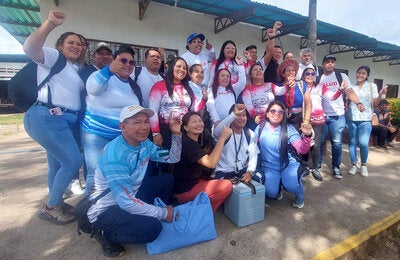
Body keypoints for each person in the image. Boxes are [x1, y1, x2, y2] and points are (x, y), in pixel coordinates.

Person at [87, 105, 182, 257]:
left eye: (146, 122)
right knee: (152, 230)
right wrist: (162, 213)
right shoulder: (115, 156)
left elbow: (172, 157)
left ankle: (148, 213)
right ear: (122, 127)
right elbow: (126, 202)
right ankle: (104, 233)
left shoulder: (145, 143)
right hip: (107, 210)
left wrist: (176, 134)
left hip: (131, 195)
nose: (144, 127)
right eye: (137, 122)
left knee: (167, 179)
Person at [22, 10, 84, 224]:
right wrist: (50, 24)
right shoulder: (53, 57)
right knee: (73, 161)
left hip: (58, 120)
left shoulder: (72, 68)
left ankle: (55, 200)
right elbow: (30, 48)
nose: (76, 46)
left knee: (57, 164)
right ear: (60, 45)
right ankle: (51, 207)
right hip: (48, 116)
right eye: (71, 42)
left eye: (80, 44)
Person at [82, 46, 143, 194]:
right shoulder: (102, 76)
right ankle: (90, 211)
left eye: (131, 62)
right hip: (96, 134)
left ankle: (111, 207)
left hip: (120, 138)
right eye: (123, 60)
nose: (128, 64)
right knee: (96, 173)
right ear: (114, 61)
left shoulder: (133, 85)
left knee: (119, 172)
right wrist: (108, 70)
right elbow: (92, 88)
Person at [256, 101, 312, 208]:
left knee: (292, 185)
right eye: (273, 110)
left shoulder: (289, 129)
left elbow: (302, 150)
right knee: (270, 193)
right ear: (267, 113)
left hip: (289, 165)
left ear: (284, 115)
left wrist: (307, 136)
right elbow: (252, 146)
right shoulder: (260, 128)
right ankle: (277, 189)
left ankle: (299, 195)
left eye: (280, 112)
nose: (276, 113)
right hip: (269, 167)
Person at [173, 111, 233, 212]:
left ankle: (200, 209)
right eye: (194, 121)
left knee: (217, 180)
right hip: (185, 191)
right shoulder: (188, 143)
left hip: (191, 183)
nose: (198, 124)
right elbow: (211, 163)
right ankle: (203, 213)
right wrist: (222, 138)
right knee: (227, 185)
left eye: (200, 120)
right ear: (186, 127)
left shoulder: (191, 140)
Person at [318, 54, 364, 179]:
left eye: (332, 62)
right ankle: (318, 164)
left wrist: (358, 102)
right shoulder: (318, 78)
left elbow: (349, 91)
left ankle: (336, 167)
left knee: (337, 142)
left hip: (337, 116)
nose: (330, 64)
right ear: (323, 64)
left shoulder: (341, 76)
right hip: (322, 115)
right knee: (320, 141)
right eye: (328, 62)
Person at [149, 57, 202, 149]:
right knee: (168, 160)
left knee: (184, 161)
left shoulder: (188, 88)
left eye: (184, 68)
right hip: (165, 129)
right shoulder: (159, 86)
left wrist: (204, 101)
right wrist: (156, 133)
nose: (182, 70)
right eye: (178, 66)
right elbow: (153, 110)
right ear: (171, 67)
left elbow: (194, 110)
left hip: (185, 131)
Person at [346, 66, 388, 177]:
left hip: (365, 119)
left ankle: (363, 165)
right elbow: (347, 103)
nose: (360, 75)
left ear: (367, 75)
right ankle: (354, 165)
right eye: (358, 72)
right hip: (351, 119)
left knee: (364, 143)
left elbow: (374, 103)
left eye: (363, 73)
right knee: (352, 143)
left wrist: (380, 94)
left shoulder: (371, 86)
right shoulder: (351, 87)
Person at [301, 67, 342, 181]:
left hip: (318, 120)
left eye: (312, 74)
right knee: (305, 145)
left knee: (317, 146)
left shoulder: (320, 87)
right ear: (303, 76)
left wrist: (340, 90)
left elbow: (332, 97)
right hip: (304, 120)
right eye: (307, 73)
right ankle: (304, 167)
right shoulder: (300, 87)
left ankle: (314, 168)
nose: (310, 75)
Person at [212, 104, 259, 182]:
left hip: (241, 170)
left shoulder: (250, 134)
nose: (241, 118)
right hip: (223, 172)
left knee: (259, 177)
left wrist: (249, 172)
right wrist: (234, 114)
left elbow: (253, 156)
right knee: (225, 187)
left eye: (244, 115)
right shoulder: (225, 131)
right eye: (238, 115)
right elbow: (217, 132)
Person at [241, 62, 275, 130]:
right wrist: (255, 116)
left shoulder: (270, 85)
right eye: (255, 69)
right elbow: (249, 105)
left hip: (271, 119)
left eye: (260, 69)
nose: (258, 70)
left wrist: (288, 84)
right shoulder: (247, 89)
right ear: (250, 75)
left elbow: (281, 90)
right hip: (256, 121)